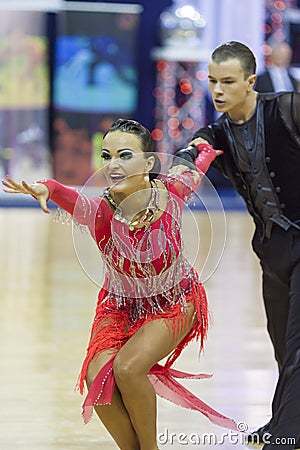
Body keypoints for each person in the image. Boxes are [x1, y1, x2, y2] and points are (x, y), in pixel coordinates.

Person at [2, 119, 237, 450]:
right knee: (96, 379)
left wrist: (205, 150)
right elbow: (65, 194)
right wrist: (48, 188)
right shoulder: (100, 211)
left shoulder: (171, 191)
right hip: (119, 305)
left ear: (148, 163)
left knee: (128, 368)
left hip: (175, 301)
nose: (113, 165)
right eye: (106, 155)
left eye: (125, 155)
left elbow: (193, 166)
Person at [172, 41, 300, 449]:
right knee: (283, 346)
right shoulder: (217, 134)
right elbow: (188, 160)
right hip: (271, 252)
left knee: (299, 345)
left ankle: (287, 435)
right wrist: (182, 165)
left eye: (228, 82)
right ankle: (283, 420)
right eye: (212, 82)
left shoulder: (288, 108)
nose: (218, 91)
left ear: (250, 81)